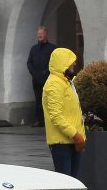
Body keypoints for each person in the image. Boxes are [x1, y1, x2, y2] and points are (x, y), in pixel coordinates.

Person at [41, 47, 85, 178]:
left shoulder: (66, 82)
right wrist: (75, 135)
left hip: (71, 141)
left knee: (74, 181)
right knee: (66, 180)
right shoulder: (54, 85)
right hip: (62, 143)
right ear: (63, 63)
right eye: (71, 61)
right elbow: (56, 116)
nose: (74, 63)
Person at [26, 27, 55, 126]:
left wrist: (46, 72)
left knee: (49, 100)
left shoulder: (52, 48)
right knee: (38, 100)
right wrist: (33, 73)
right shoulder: (34, 48)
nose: (40, 35)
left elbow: (54, 63)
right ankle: (39, 120)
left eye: (42, 33)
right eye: (38, 34)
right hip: (36, 79)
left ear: (46, 34)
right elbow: (29, 62)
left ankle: (50, 120)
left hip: (48, 79)